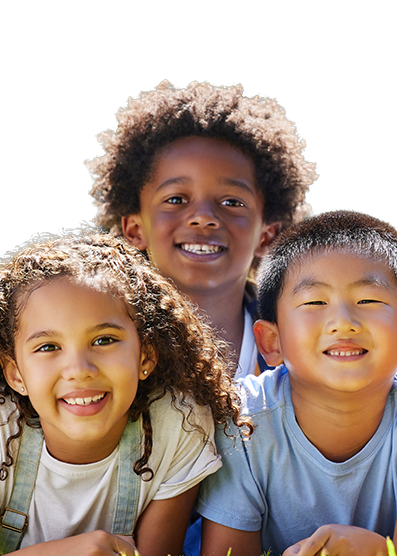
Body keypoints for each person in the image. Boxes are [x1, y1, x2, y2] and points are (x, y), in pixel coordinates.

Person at [0, 232, 243, 556]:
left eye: (104, 340)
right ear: (16, 374)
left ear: (145, 356)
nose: (79, 370)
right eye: (48, 347)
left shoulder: (178, 421)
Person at [197, 210, 397, 556]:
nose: (343, 323)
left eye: (368, 301)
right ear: (271, 341)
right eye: (314, 303)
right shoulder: (243, 419)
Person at [86, 79, 318, 379]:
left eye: (232, 202)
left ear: (267, 236)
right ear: (135, 229)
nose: (203, 217)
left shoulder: (307, 350)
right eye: (176, 200)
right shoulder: (98, 347)